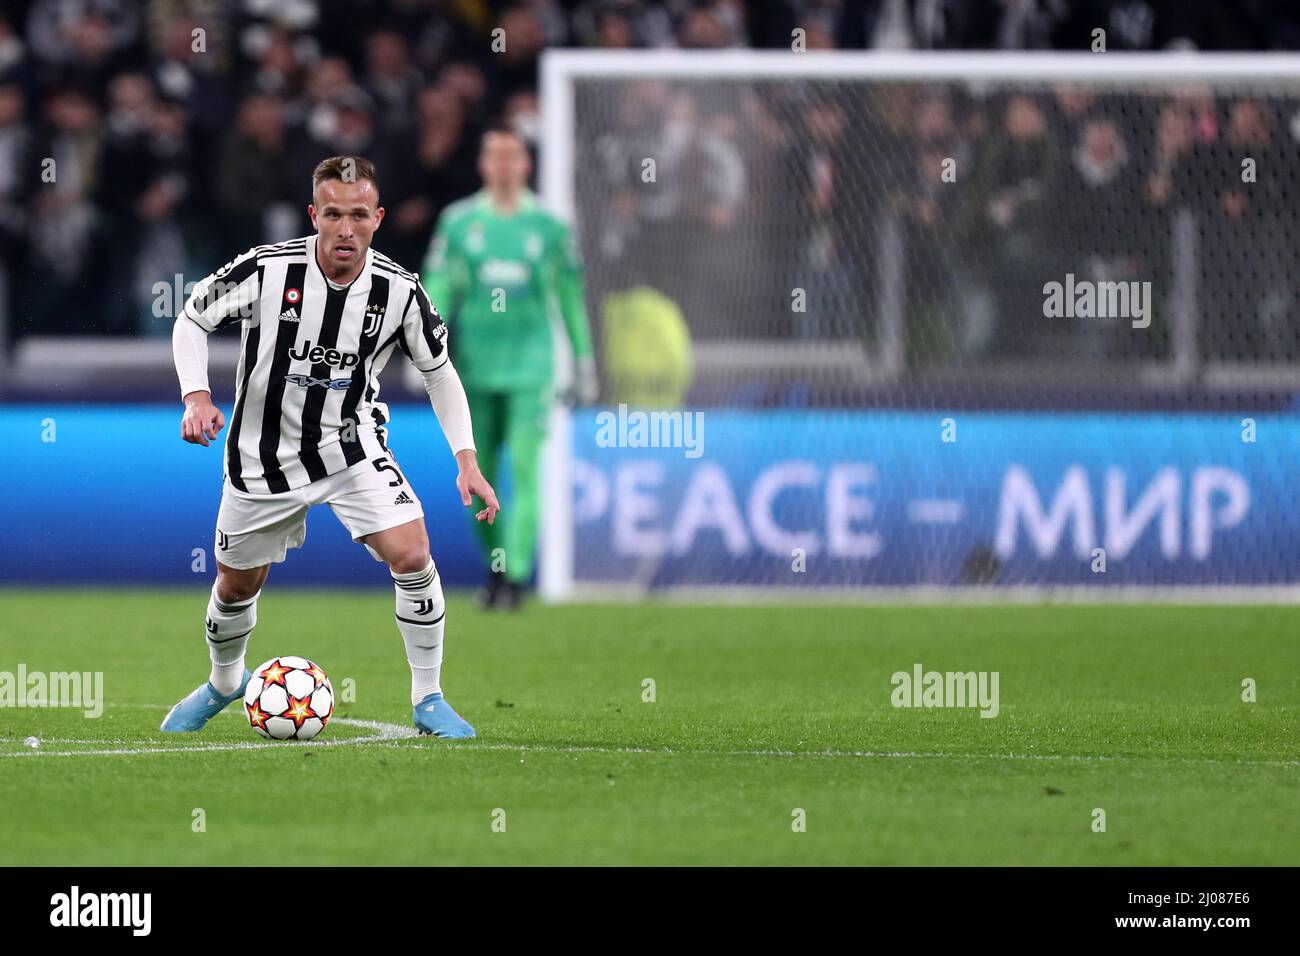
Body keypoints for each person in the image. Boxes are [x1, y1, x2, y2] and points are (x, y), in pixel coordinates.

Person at [161, 155, 499, 738]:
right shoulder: (268, 271)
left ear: (378, 218)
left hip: (352, 447)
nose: (347, 229)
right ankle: (224, 681)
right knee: (236, 584)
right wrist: (196, 396)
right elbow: (191, 319)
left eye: (360, 215)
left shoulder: (400, 293)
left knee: (413, 553)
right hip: (261, 455)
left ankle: (428, 698)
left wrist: (466, 460)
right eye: (335, 214)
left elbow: (440, 373)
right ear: (314, 215)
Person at [420, 128, 595, 610]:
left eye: (511, 156)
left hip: (531, 368)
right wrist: (422, 343)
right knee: (479, 476)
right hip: (474, 369)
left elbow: (570, 298)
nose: (502, 164)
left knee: (525, 468)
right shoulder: (458, 223)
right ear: (482, 164)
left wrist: (583, 359)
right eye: (494, 155)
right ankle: (496, 568)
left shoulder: (550, 227)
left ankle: (515, 576)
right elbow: (438, 286)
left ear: (526, 165)